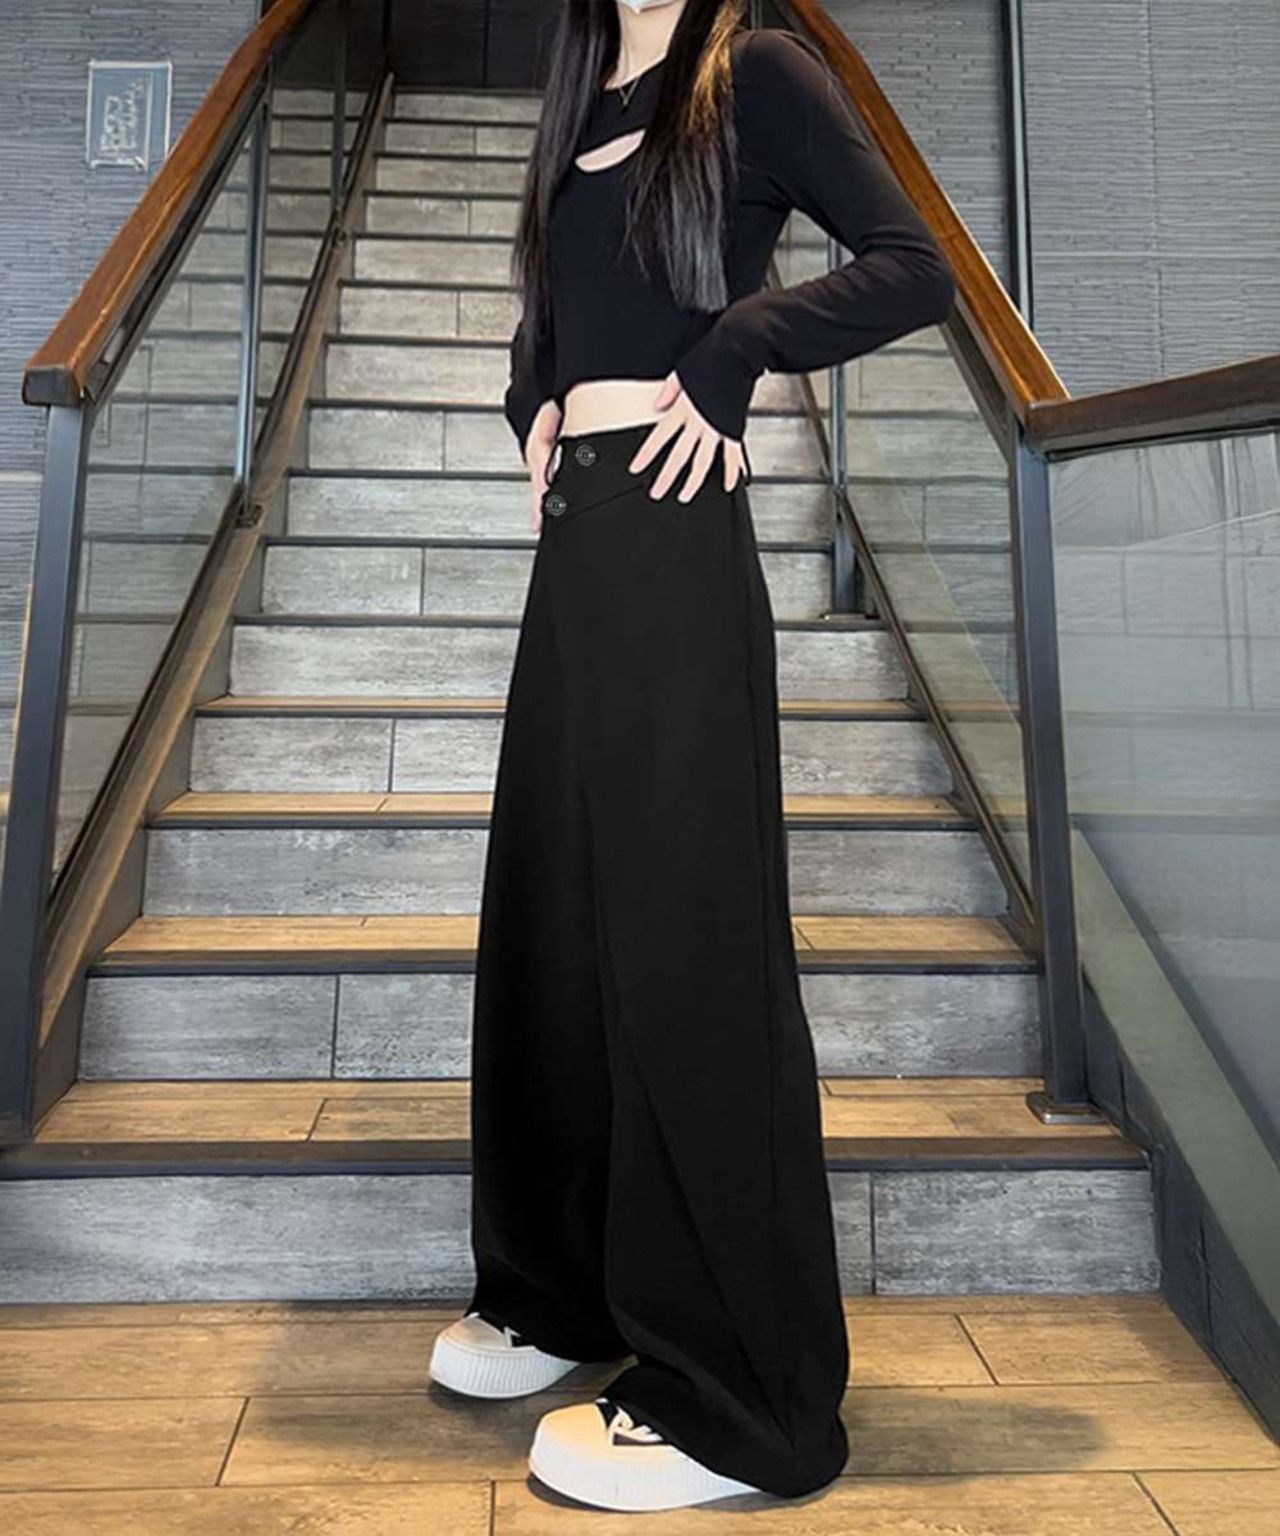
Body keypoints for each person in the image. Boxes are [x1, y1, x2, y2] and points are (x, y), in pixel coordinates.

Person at [428, 0, 956, 1512]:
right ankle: (558, 1290)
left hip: (673, 538)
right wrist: (531, 394)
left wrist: (742, 346)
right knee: (555, 924)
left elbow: (912, 263)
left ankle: (740, 1397)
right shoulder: (582, 88)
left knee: (684, 946)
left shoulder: (758, 71)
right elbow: (563, 307)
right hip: (581, 540)